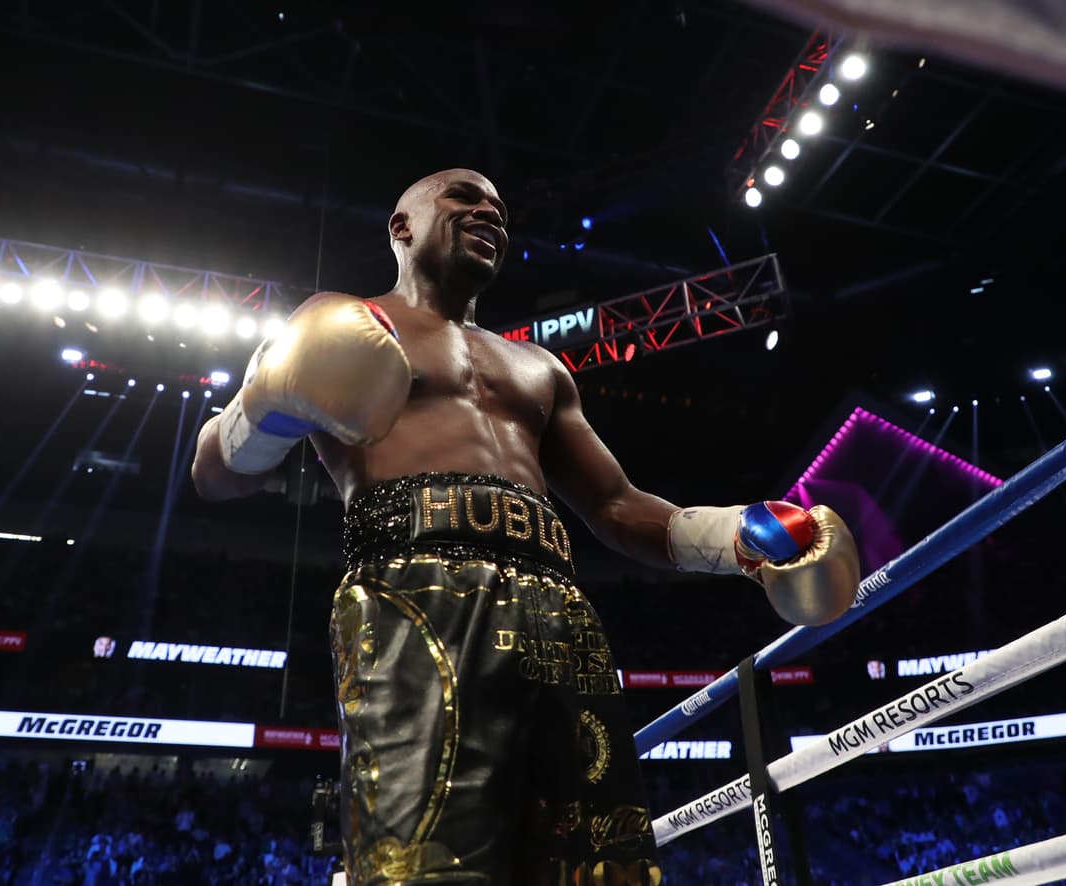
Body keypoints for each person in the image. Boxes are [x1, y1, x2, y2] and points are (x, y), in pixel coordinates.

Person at [191, 169, 860, 886]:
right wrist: (267, 407)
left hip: (558, 611)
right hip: (417, 600)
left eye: (500, 210)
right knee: (427, 864)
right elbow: (214, 474)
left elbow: (615, 506)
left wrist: (738, 537)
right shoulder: (341, 321)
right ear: (401, 226)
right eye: (463, 197)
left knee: (599, 864)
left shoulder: (540, 368)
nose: (489, 213)